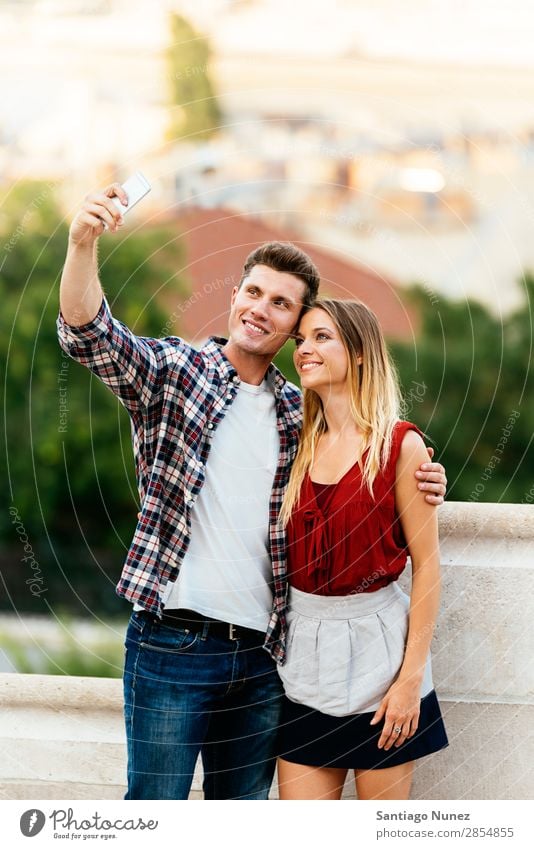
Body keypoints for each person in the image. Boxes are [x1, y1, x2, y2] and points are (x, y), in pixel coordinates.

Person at [56, 182, 447, 800]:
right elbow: (89, 334)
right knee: (155, 817)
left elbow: (363, 451)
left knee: (245, 821)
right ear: (236, 296)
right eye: (255, 292)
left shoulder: (302, 417)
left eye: (283, 304)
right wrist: (82, 243)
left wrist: (424, 467)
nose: (262, 309)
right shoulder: (175, 376)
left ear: (296, 324)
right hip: (171, 644)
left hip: (268, 660)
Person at [276, 298, 449, 800]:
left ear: (358, 352)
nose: (304, 349)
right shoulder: (296, 442)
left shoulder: (401, 446)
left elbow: (428, 566)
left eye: (321, 337)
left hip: (383, 664)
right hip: (304, 664)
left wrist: (409, 680)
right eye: (301, 340)